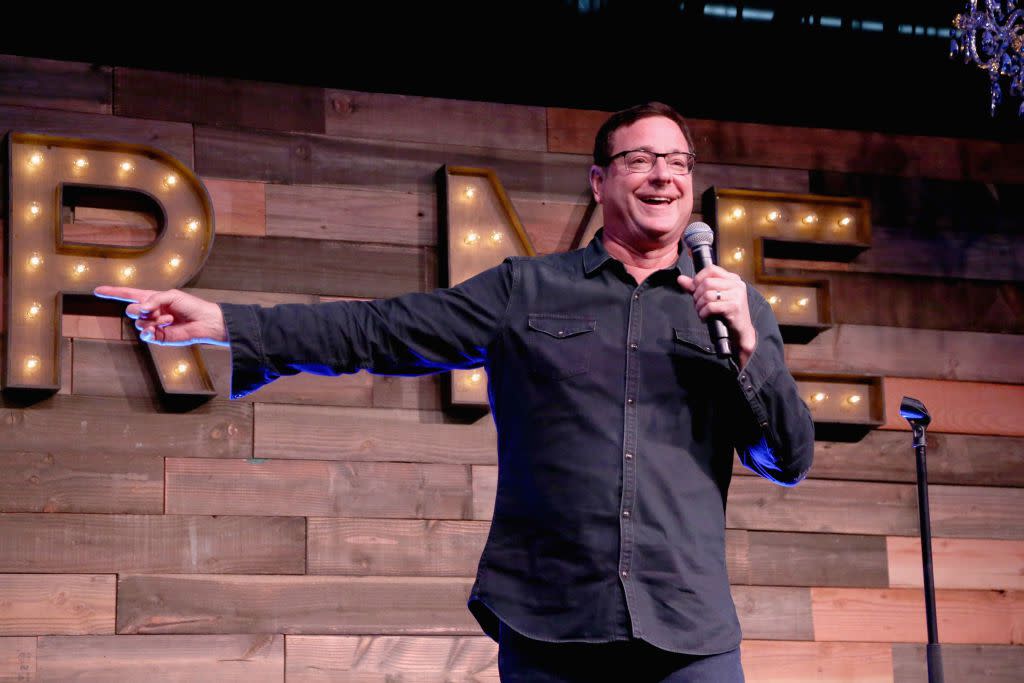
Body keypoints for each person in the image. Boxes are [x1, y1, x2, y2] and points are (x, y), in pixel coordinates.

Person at [97, 102, 814, 682]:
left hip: (688, 632)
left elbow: (787, 457)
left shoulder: (730, 308)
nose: (663, 175)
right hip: (552, 623)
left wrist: (750, 351)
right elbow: (380, 330)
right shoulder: (527, 290)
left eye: (678, 161)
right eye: (640, 158)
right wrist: (228, 322)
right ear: (599, 181)